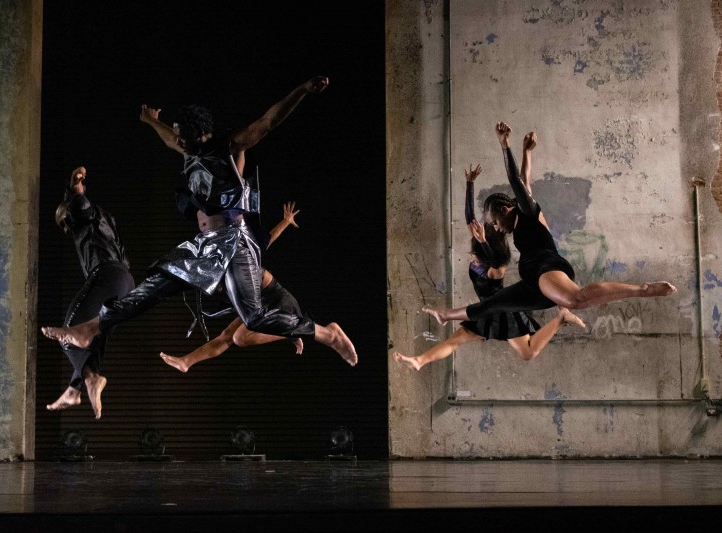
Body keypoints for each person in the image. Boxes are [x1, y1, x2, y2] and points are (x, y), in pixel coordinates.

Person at [41, 76, 358, 366]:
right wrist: (151, 120)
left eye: (182, 137)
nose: (178, 142)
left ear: (199, 134)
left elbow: (269, 120)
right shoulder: (188, 149)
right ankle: (91, 328)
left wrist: (301, 90)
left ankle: (326, 334)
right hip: (207, 245)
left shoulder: (231, 146)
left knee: (255, 319)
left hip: (235, 242)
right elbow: (169, 139)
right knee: (154, 287)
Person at [422, 122, 676, 327]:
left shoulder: (528, 213)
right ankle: (446, 316)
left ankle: (643, 289)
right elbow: (526, 181)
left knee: (575, 299)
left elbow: (516, 180)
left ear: (506, 209)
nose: (497, 230)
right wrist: (528, 152)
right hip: (533, 281)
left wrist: (505, 145)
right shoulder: (523, 209)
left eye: (497, 223)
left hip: (546, 268)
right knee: (491, 305)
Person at [393, 163, 585, 371]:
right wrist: (469, 183)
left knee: (528, 352)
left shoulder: (497, 266)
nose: (472, 258)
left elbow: (493, 259)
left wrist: (484, 243)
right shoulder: (479, 247)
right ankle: (419, 361)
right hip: (483, 310)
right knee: (454, 340)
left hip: (503, 311)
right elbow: (469, 218)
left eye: (477, 256)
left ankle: (561, 318)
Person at [160, 201, 305, 373]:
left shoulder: (241, 261)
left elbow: (266, 243)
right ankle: (186, 362)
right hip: (259, 306)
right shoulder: (226, 277)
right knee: (227, 336)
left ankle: (291, 331)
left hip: (277, 301)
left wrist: (286, 222)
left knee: (240, 338)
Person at [45, 166, 136, 419]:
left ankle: (87, 381)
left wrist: (75, 188)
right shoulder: (104, 219)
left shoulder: (84, 216)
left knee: (68, 332)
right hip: (126, 283)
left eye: (65, 224)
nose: (67, 230)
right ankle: (77, 387)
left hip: (107, 275)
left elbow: (80, 206)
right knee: (93, 339)